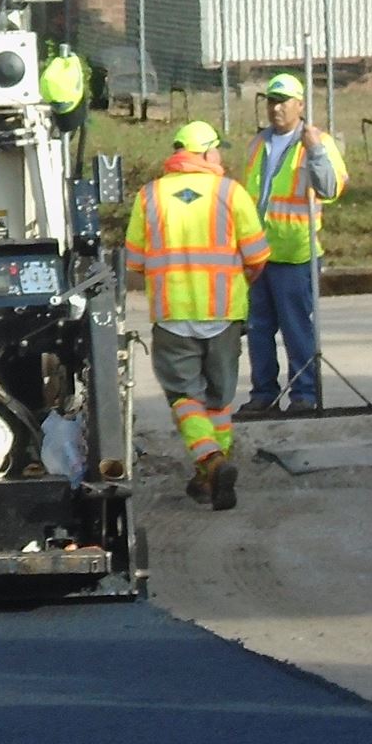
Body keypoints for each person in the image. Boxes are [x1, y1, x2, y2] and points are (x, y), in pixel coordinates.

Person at [124, 119, 269, 511]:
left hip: (172, 315)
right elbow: (257, 257)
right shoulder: (230, 193)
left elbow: (135, 262)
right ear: (205, 153)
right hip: (223, 313)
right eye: (216, 149)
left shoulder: (149, 196)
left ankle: (209, 464)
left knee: (185, 398)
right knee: (218, 401)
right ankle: (212, 471)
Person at [240, 71, 347, 413]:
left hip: (297, 254)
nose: (276, 109)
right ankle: (263, 395)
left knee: (297, 329)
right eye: (272, 101)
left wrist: (315, 152)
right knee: (258, 330)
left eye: (284, 101)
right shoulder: (259, 143)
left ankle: (304, 395)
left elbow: (330, 189)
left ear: (300, 104)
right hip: (259, 255)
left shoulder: (316, 142)